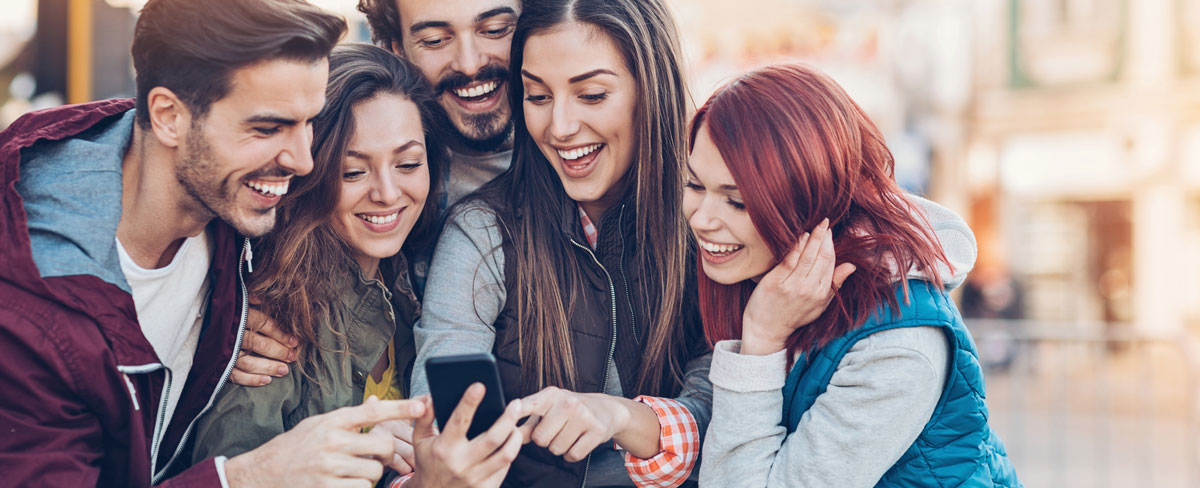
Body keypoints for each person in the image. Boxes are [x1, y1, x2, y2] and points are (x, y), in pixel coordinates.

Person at [0, 1, 428, 486]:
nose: (306, 161)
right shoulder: (29, 314)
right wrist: (250, 476)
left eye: (309, 122)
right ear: (168, 117)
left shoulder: (228, 202)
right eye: (268, 128)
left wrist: (233, 325)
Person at [191, 43, 524, 488]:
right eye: (353, 172)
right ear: (311, 172)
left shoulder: (411, 278)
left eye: (408, 163)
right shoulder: (271, 325)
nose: (387, 192)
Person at [410, 0, 710, 486]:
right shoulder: (481, 231)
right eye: (537, 96)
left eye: (591, 95)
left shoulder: (708, 216)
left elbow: (730, 406)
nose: (561, 127)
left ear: (651, 89)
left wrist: (621, 417)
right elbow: (441, 422)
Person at [686, 64, 1021, 487]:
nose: (701, 219)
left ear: (810, 195)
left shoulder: (898, 348)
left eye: (736, 202)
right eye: (694, 185)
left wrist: (761, 341)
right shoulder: (759, 277)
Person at [233, 0, 525, 389]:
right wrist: (223, 324)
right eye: (436, 39)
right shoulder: (304, 160)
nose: (470, 63)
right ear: (396, 49)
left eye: (495, 30)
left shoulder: (589, 156)